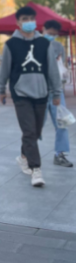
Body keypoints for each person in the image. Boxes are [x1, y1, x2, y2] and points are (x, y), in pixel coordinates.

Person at [0, 6, 62, 187]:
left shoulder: (44, 44)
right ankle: (36, 170)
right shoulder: (11, 44)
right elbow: (5, 69)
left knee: (35, 131)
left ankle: (23, 156)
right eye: (24, 19)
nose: (29, 22)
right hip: (21, 94)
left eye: (31, 18)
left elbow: (52, 70)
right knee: (29, 131)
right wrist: (1, 90)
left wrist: (56, 92)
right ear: (18, 22)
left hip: (41, 93)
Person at [42, 20, 73, 168]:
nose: (52, 36)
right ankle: (27, 155)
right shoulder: (35, 45)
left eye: (55, 34)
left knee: (62, 122)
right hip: (40, 91)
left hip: (57, 90)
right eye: (50, 33)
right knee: (35, 125)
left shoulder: (59, 46)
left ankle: (60, 154)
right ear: (43, 29)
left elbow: (62, 67)